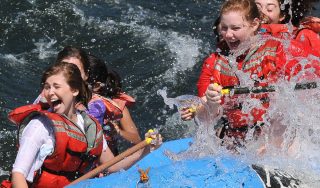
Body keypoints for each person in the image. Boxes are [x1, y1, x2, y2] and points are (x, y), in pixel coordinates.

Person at [5, 62, 162, 188]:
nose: (49, 92)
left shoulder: (90, 127)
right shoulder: (39, 125)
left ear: (74, 90)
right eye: (47, 87)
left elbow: (113, 166)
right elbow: (18, 174)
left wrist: (146, 149)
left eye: (56, 86)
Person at [185, 0, 319, 144]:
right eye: (224, 28)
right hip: (236, 138)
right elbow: (205, 120)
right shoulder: (214, 63)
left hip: (278, 138)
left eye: (236, 28)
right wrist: (211, 104)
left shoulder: (280, 49)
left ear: (254, 25)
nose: (228, 35)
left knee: (281, 115)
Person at [86, 54, 142, 155]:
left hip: (107, 161)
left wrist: (118, 131)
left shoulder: (115, 103)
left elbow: (136, 139)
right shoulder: (64, 102)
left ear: (96, 86)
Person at [255, 0, 320, 51]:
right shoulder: (247, 32)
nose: (262, 13)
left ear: (282, 16)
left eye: (269, 9)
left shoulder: (301, 36)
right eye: (257, 8)